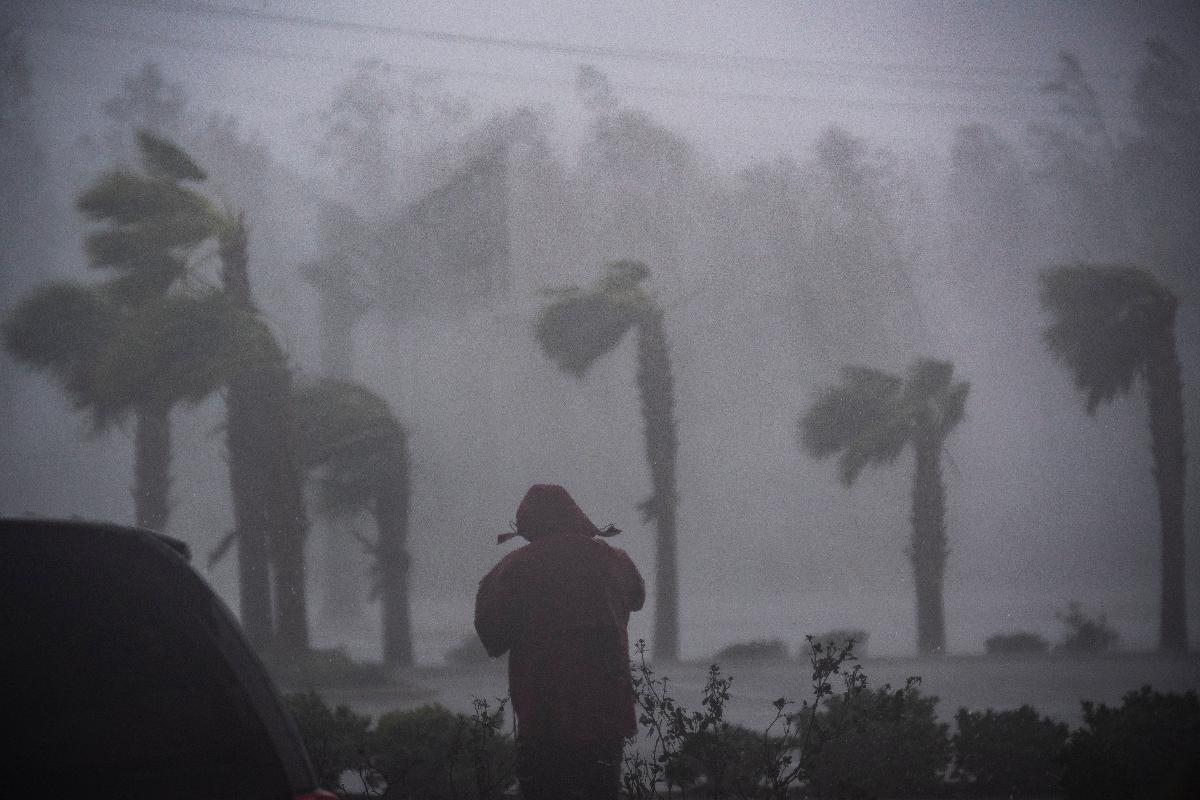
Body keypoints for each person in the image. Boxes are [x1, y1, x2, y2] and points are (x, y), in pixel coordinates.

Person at [475, 484, 645, 800]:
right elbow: (636, 598)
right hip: (605, 715)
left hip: (543, 716)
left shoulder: (515, 567)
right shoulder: (614, 561)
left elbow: (492, 637)